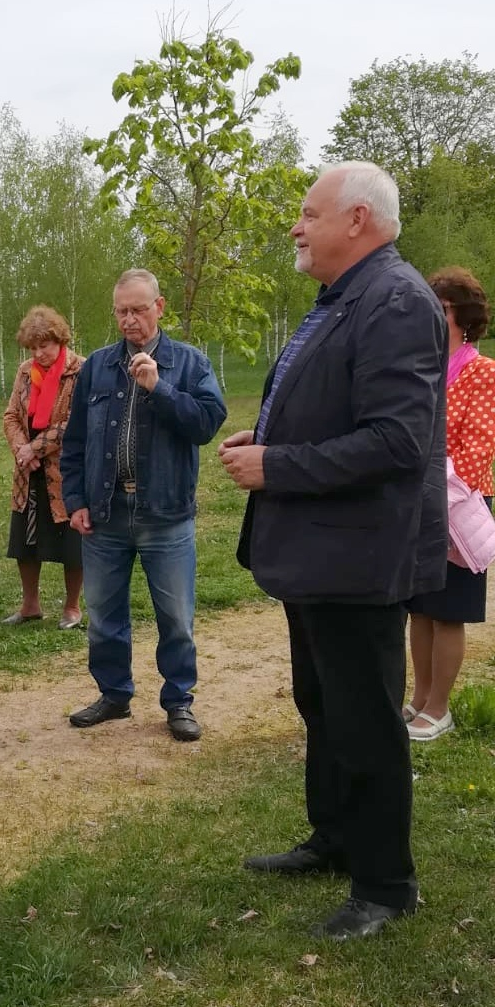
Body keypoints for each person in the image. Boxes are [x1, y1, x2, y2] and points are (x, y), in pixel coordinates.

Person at [219, 161, 446, 940]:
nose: (296, 226)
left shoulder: (396, 300)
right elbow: (342, 408)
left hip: (359, 559)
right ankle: (336, 837)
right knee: (324, 705)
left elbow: (396, 440)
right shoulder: (346, 297)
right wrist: (269, 435)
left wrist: (276, 465)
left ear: (357, 219)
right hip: (321, 554)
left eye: (309, 213)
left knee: (366, 718)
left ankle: (385, 884)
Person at [60, 269, 226, 742]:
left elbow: (206, 424)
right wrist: (76, 500)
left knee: (176, 619)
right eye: (121, 311)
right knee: (104, 616)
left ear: (160, 307)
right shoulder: (97, 366)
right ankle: (114, 695)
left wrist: (160, 388)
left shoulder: (188, 363)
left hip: (165, 515)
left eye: (137, 309)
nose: (129, 319)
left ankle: (179, 701)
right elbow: (74, 442)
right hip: (105, 514)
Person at [404, 268, 494, 742]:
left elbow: (478, 449)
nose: (431, 318)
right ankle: (420, 698)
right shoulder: (421, 368)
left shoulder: (482, 373)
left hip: (457, 504)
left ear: (464, 316)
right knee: (419, 608)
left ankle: (440, 708)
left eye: (440, 309)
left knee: (448, 610)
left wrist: (433, 481)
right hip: (415, 499)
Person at [1, 306, 85, 629]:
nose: (38, 353)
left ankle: (72, 607)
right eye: (33, 347)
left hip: (66, 469)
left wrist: (33, 448)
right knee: (25, 540)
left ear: (59, 340)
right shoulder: (25, 371)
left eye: (44, 345)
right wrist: (22, 451)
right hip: (28, 470)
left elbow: (74, 422)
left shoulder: (80, 370)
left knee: (72, 542)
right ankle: (30, 606)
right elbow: (11, 416)